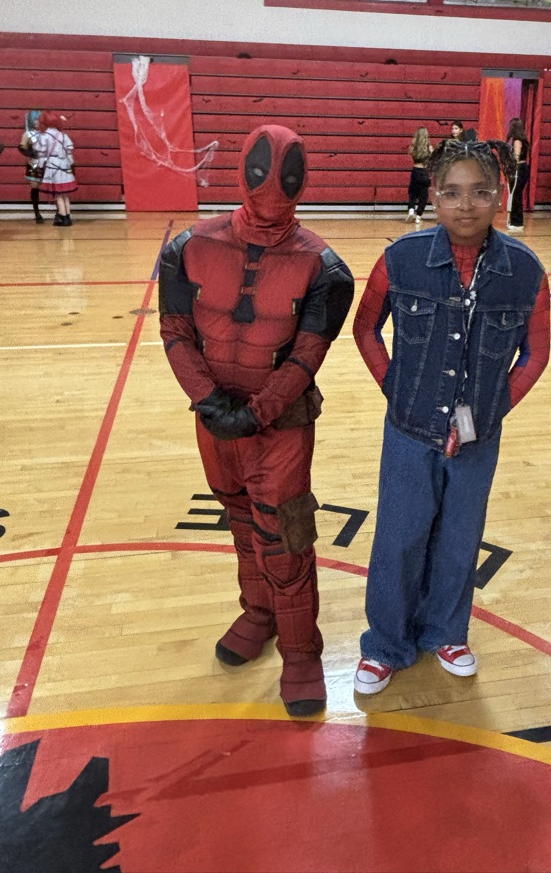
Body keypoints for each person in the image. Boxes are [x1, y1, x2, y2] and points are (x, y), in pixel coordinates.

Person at [159, 124, 354, 716]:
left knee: (285, 534)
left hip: (280, 425)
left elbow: (306, 355)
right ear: (241, 169)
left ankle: (301, 653)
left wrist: (254, 411)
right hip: (216, 420)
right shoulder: (186, 246)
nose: (272, 184)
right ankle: (259, 613)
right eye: (263, 169)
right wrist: (211, 403)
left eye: (286, 174)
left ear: (302, 181)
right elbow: (175, 331)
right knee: (241, 520)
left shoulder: (326, 268)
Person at [352, 139, 550, 694]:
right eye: (452, 193)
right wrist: (395, 388)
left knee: (461, 537)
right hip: (409, 432)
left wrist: (492, 410)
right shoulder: (401, 260)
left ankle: (447, 630)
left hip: (479, 439)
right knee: (399, 537)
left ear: (500, 197)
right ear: (433, 196)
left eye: (481, 192)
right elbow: (364, 329)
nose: (467, 205)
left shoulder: (526, 271)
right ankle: (386, 644)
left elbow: (537, 354)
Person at [36, 112, 76, 227]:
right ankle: (68, 216)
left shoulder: (44, 137)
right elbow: (69, 153)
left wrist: (39, 166)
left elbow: (41, 154)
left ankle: (63, 218)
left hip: (53, 166)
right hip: (65, 166)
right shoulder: (64, 136)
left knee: (58, 194)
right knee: (65, 194)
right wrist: (70, 164)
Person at [17, 109, 45, 224]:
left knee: (54, 187)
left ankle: (60, 212)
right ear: (31, 121)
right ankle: (37, 213)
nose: (38, 122)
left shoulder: (45, 133)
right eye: (35, 120)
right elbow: (22, 147)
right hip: (34, 164)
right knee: (35, 188)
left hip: (46, 162)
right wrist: (30, 153)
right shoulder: (28, 134)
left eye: (39, 119)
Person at [506, 117, 531, 232]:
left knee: (516, 195)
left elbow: (516, 157)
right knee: (517, 195)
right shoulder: (523, 139)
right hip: (523, 168)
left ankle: (517, 222)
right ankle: (515, 221)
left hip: (518, 169)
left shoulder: (517, 140)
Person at [406, 126, 433, 224]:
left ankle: (411, 209)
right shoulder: (429, 147)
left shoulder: (413, 146)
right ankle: (418, 216)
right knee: (423, 196)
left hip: (415, 171)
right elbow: (433, 158)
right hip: (425, 172)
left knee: (412, 193)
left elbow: (411, 153)